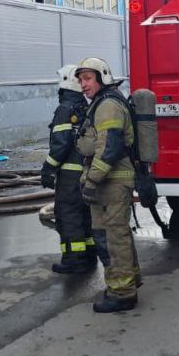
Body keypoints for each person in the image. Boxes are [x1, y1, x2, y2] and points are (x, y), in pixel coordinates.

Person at [74, 57, 140, 313]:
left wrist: (91, 181)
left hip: (112, 182)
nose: (83, 84)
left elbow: (109, 148)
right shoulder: (102, 103)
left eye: (88, 78)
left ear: (102, 78)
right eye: (80, 80)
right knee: (111, 235)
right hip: (108, 181)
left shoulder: (108, 106)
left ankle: (122, 293)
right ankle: (126, 282)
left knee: (113, 237)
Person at [41, 65, 95, 274]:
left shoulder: (65, 108)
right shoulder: (85, 106)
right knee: (85, 214)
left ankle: (74, 261)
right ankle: (89, 256)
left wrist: (48, 169)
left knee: (68, 216)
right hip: (85, 172)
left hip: (69, 176)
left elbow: (61, 143)